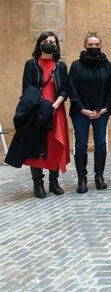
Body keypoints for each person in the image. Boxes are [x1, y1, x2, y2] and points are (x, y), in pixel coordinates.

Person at [21, 32, 70, 198]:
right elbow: (27, 89)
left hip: (56, 110)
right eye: (46, 41)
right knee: (36, 144)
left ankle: (54, 182)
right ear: (40, 43)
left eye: (52, 42)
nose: (49, 43)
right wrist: (40, 106)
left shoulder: (60, 66)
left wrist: (55, 105)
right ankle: (38, 183)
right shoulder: (31, 65)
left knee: (54, 144)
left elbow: (65, 88)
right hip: (36, 111)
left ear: (56, 46)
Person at [68, 32, 111, 193]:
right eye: (90, 45)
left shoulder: (108, 65)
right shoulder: (76, 66)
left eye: (97, 45)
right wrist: (82, 109)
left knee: (100, 143)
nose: (94, 47)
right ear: (84, 46)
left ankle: (99, 177)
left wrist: (104, 108)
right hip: (80, 111)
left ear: (101, 46)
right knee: (81, 143)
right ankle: (82, 179)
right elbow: (71, 89)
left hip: (101, 111)